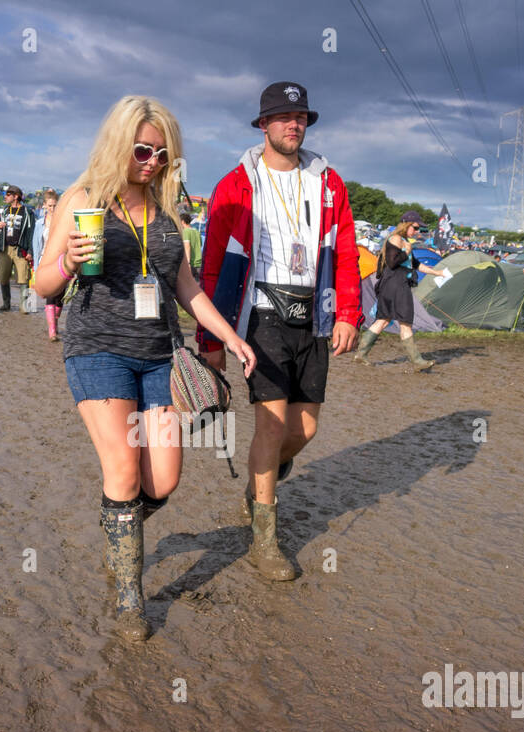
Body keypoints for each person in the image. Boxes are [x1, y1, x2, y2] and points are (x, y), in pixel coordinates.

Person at [32, 94, 257, 642]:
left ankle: (117, 524)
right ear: (118, 144)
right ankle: (130, 599)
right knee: (124, 471)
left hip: (160, 352)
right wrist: (66, 261)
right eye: (142, 150)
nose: (152, 162)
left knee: (164, 478)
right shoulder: (83, 197)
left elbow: (186, 289)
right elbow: (41, 284)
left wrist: (230, 335)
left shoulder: (165, 213)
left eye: (163, 154)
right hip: (97, 347)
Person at [197, 80, 361, 582]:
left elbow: (348, 253)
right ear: (264, 124)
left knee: (305, 428)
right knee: (270, 424)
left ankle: (257, 484)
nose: (295, 125)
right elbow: (213, 264)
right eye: (285, 118)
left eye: (302, 118)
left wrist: (350, 313)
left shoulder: (329, 182)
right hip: (261, 314)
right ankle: (265, 541)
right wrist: (212, 340)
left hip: (314, 314)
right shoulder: (235, 184)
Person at [355, 210, 448, 368]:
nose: (417, 231)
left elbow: (416, 265)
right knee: (405, 322)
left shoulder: (404, 240)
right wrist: (406, 251)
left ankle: (361, 354)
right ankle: (417, 361)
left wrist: (437, 272)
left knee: (383, 320)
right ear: (406, 225)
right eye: (416, 227)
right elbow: (392, 262)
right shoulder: (396, 239)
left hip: (394, 285)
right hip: (396, 285)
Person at [30, 188, 62, 340]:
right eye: (50, 206)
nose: (52, 208)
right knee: (51, 293)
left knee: (60, 296)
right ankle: (52, 330)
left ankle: (54, 321)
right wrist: (36, 268)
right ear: (44, 205)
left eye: (55, 205)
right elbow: (36, 246)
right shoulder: (39, 224)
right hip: (45, 260)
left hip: (61, 260)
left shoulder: (63, 222)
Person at [0, 185, 35, 312]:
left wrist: (30, 251)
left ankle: (25, 306)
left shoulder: (28, 212)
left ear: (16, 196)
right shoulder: (5, 211)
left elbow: (31, 233)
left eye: (8, 194)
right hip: (5, 249)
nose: (5, 197)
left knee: (24, 278)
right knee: (3, 277)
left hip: (20, 249)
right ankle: (6, 303)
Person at [180, 211, 202, 277]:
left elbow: (187, 247)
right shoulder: (197, 231)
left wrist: (188, 263)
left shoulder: (185, 232)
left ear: (182, 221)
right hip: (199, 264)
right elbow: (200, 245)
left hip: (191, 264)